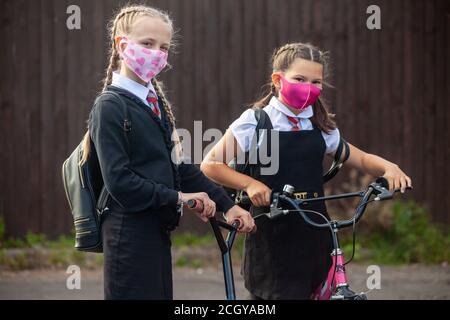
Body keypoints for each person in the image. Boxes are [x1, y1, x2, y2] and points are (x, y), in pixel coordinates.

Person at [201, 42, 412, 299]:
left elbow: (363, 158)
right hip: (273, 235)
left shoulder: (319, 124)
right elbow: (211, 165)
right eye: (299, 79)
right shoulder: (256, 121)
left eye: (316, 82)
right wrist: (251, 184)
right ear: (278, 80)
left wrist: (389, 167)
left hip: (316, 233)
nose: (309, 88)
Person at [84, 5, 255, 300]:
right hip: (129, 238)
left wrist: (227, 205)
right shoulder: (110, 106)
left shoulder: (153, 102)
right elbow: (120, 183)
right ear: (121, 45)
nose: (157, 53)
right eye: (147, 44)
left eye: (163, 47)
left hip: (156, 232)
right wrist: (181, 198)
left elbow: (180, 168)